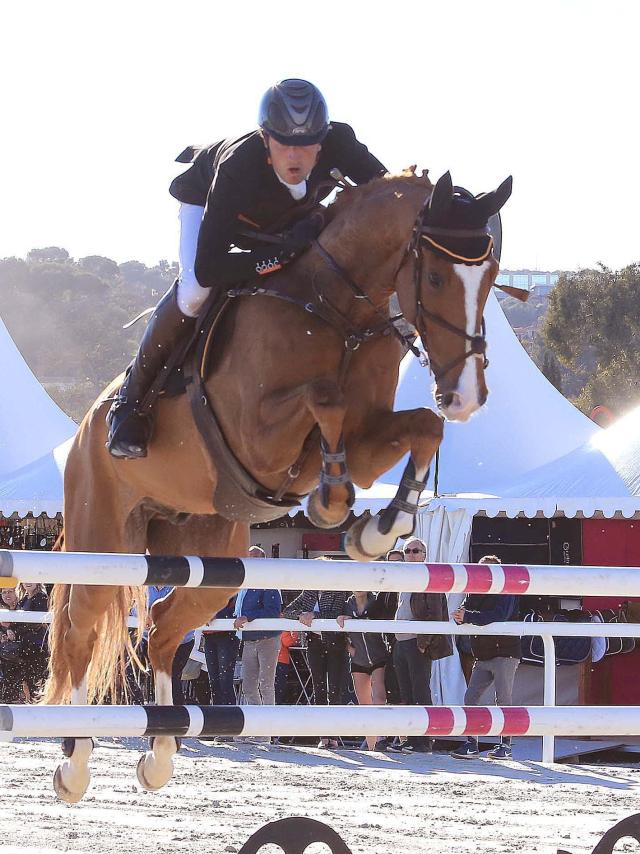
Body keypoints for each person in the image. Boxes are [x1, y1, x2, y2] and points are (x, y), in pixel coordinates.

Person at [106, 78, 386, 459]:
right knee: (193, 294)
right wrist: (284, 255)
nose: (295, 157)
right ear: (265, 139)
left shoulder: (342, 143)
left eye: (305, 146)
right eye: (284, 144)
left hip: (285, 216)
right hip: (210, 205)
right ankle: (130, 402)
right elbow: (210, 267)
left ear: (322, 142)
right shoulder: (240, 167)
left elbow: (389, 193)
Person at [450, 555, 520, 761]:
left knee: (504, 700)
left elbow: (498, 616)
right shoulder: (474, 591)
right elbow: (464, 613)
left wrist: (467, 617)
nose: (485, 574)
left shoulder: (507, 589)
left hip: (505, 652)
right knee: (470, 697)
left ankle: (506, 745)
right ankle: (472, 743)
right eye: (481, 570)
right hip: (482, 654)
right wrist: (461, 617)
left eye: (489, 570)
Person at [390, 538, 451, 753]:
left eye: (416, 551)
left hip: (416, 643)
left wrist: (423, 643)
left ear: (425, 554)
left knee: (420, 691)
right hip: (401, 641)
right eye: (408, 551)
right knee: (406, 693)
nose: (412, 554)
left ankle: (423, 741)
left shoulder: (429, 577)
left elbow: (435, 613)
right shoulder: (404, 578)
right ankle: (411, 739)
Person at [283, 579, 350, 749]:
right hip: (314, 642)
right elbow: (288, 610)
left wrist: (314, 616)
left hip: (335, 643)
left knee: (334, 689)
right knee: (318, 687)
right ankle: (322, 734)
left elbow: (336, 613)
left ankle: (333, 735)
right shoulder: (310, 592)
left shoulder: (338, 589)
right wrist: (301, 615)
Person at [337, 592, 388, 751]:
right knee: (364, 704)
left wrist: (357, 621)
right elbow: (337, 630)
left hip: (378, 656)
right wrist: (349, 648)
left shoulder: (376, 602)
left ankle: (382, 739)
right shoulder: (346, 604)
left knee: (380, 698)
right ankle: (372, 747)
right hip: (359, 660)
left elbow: (382, 622)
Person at [234, 582, 282, 744]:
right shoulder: (244, 586)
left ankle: (266, 732)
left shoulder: (269, 584)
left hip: (267, 638)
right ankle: (255, 727)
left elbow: (273, 611)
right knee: (248, 685)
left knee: (266, 684)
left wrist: (248, 617)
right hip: (249, 640)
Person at [203, 595, 239, 707]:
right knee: (213, 680)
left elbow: (236, 610)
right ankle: (217, 714)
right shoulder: (207, 587)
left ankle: (230, 714)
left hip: (227, 637)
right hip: (209, 637)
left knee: (225, 680)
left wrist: (216, 615)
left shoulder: (233, 586)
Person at [16, 582, 49, 700]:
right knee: (26, 680)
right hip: (26, 645)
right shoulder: (24, 599)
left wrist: (19, 629)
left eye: (32, 579)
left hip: (37, 645)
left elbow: (38, 622)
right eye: (26, 579)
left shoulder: (41, 596)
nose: (28, 582)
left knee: (36, 680)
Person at [0, 588, 28, 703]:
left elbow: (27, 627)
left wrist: (12, 631)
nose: (7, 595)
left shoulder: (23, 606)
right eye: (4, 592)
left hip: (22, 648)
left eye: (10, 591)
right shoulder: (1, 608)